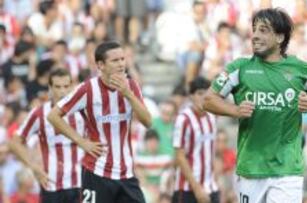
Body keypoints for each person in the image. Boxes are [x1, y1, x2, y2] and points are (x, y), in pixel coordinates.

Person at [203, 8, 307, 203]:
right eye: (254, 30)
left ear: (280, 37)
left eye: (263, 30)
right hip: (251, 168)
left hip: (287, 169)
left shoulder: (300, 69)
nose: (255, 35)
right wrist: (235, 110)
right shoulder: (240, 68)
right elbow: (208, 99)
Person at [47, 41, 152, 203]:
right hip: (96, 172)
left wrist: (128, 94)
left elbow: (148, 122)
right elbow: (53, 116)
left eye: (122, 59)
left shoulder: (131, 85)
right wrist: (81, 141)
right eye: (115, 60)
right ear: (100, 65)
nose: (121, 64)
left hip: (126, 173)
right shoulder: (87, 89)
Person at [9, 69, 85, 203]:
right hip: (51, 184)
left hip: (80, 183)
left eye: (66, 86)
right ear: (50, 88)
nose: (62, 91)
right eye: (58, 87)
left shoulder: (83, 111)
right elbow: (15, 142)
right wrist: (33, 166)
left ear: (72, 86)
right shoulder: (40, 113)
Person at [172, 77, 219, 203]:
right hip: (187, 189)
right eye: (199, 93)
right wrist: (197, 188)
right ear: (191, 96)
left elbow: (211, 152)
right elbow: (180, 157)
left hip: (210, 187)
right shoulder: (183, 119)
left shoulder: (212, 117)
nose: (203, 97)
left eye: (206, 93)